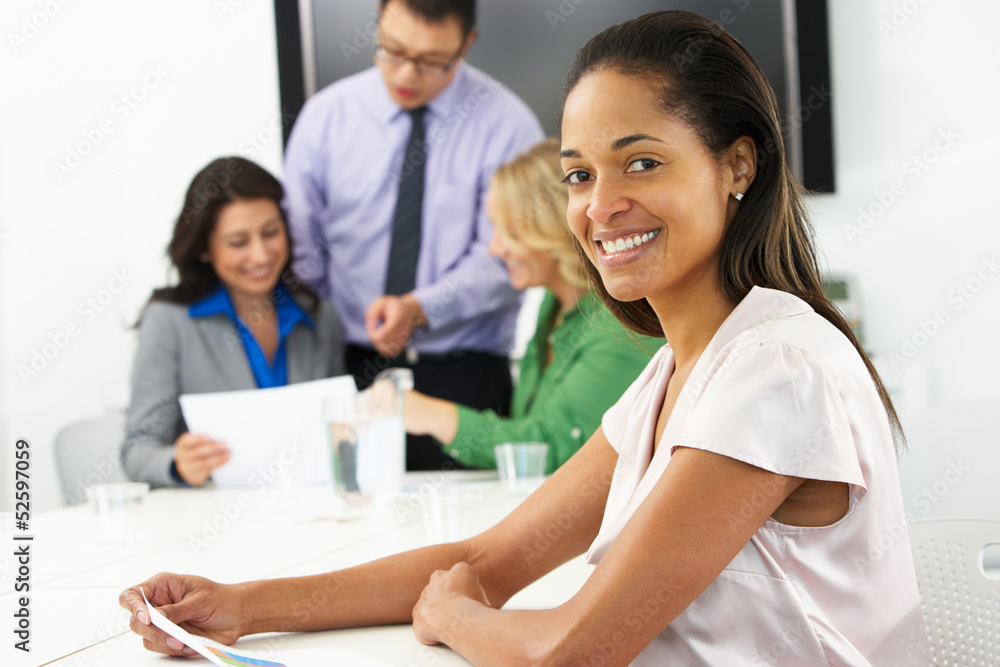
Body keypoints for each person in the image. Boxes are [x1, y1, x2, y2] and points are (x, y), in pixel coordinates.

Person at [120, 11, 929, 664]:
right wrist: (239, 603)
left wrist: (455, 614)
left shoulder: (777, 365)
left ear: (737, 165)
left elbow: (570, 650)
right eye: (579, 174)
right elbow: (492, 555)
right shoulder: (677, 376)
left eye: (640, 162)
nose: (599, 205)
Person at [283, 0, 544, 471]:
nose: (406, 74)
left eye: (430, 61)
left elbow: (507, 258)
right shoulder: (326, 118)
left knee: (474, 534)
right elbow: (303, 249)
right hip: (351, 371)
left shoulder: (508, 126)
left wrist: (420, 308)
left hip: (465, 377)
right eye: (391, 50)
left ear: (467, 45)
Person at [404, 138, 658, 473]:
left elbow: (552, 450)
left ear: (552, 227)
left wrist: (433, 416)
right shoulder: (552, 306)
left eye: (509, 232)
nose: (495, 250)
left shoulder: (621, 324)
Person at [121, 157, 345, 488]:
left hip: (312, 511)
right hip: (214, 521)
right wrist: (177, 464)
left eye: (271, 233)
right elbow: (137, 449)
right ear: (204, 249)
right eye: (238, 242)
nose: (261, 255)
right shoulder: (169, 321)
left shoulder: (319, 316)